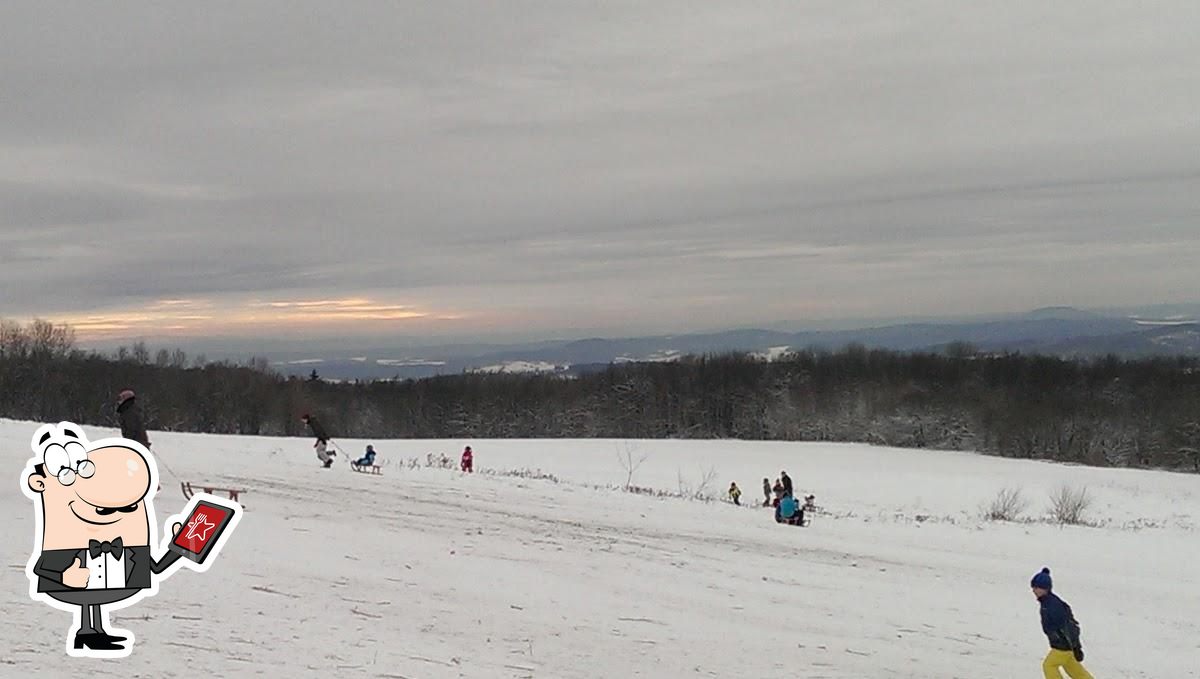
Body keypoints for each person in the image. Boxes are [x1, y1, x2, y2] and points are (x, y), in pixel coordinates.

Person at [1031, 567, 1093, 679]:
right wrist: (1075, 646)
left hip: (1062, 645)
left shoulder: (1052, 605)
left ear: (1045, 589)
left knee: (1049, 665)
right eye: (1033, 587)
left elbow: (1067, 626)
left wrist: (1075, 646)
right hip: (1065, 645)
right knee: (1075, 670)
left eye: (1037, 587)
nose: (1034, 590)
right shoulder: (1048, 603)